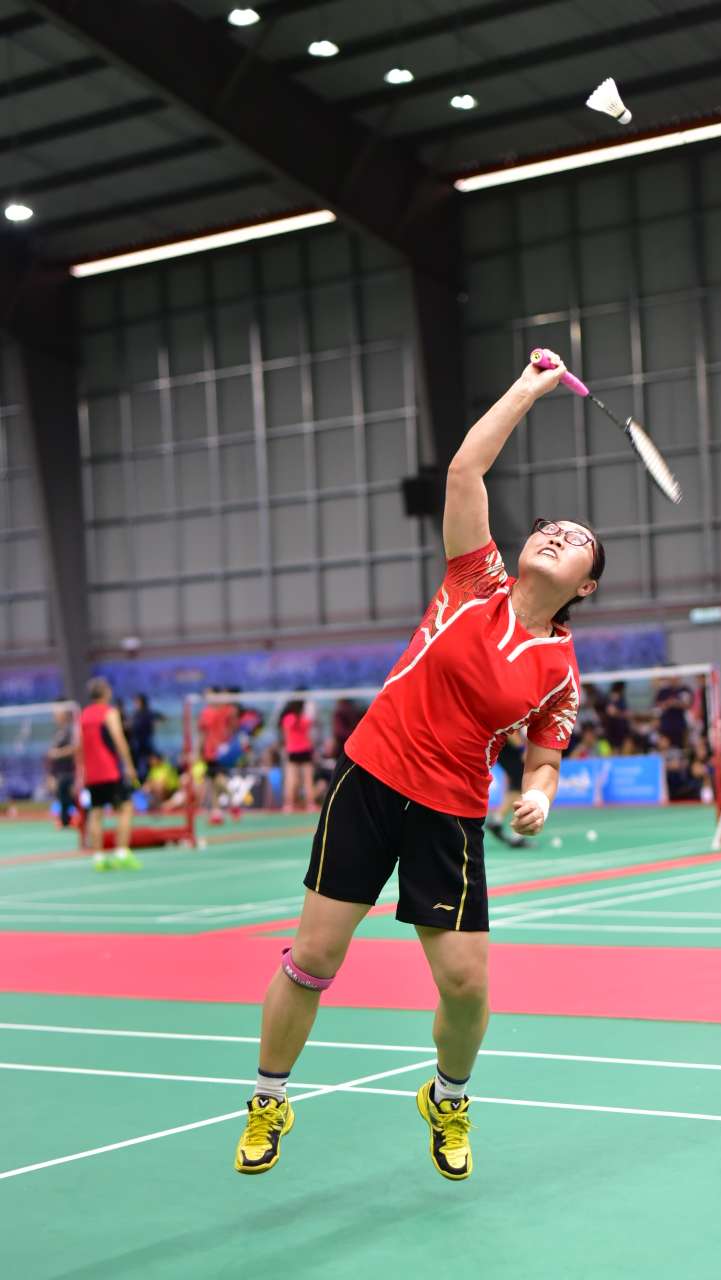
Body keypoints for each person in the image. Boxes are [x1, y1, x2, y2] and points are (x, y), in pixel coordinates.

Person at [232, 349, 605, 1183]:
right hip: (372, 783)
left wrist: (540, 794)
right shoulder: (476, 582)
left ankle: (448, 1098)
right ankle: (268, 1097)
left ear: (585, 587)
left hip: (451, 813)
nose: (556, 535)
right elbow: (467, 468)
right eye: (549, 527)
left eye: (576, 541)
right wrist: (527, 388)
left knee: (467, 986)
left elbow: (545, 757)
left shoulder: (560, 670)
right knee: (312, 960)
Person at [80, 677, 140, 871]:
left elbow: (78, 745)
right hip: (110, 770)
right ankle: (121, 853)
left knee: (96, 812)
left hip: (91, 773)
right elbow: (119, 739)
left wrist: (81, 772)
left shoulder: (83, 715)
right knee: (126, 808)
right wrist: (129, 766)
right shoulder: (109, 712)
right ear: (106, 692)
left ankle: (98, 858)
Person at [485, 730, 528, 848]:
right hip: (511, 751)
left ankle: (497, 819)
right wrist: (523, 749)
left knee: (515, 789)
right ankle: (517, 836)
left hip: (503, 750)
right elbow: (511, 730)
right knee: (522, 789)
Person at [280, 697, 315, 812]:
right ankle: (310, 804)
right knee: (308, 779)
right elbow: (309, 734)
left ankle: (288, 805)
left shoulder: (287, 719)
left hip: (293, 751)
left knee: (291, 779)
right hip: (305, 750)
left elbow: (286, 735)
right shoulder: (305, 719)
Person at [47, 706, 77, 827]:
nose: (55, 717)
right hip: (59, 772)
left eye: (57, 714)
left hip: (70, 771)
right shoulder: (57, 732)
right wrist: (51, 774)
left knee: (73, 797)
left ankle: (79, 819)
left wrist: (58, 753)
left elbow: (75, 748)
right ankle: (65, 821)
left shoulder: (71, 731)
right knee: (62, 797)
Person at [128, 693, 163, 782]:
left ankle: (146, 781)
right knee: (141, 764)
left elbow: (161, 717)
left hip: (145, 743)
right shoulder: (136, 714)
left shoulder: (146, 713)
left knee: (146, 764)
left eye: (136, 702)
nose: (135, 704)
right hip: (138, 744)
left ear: (142, 702)